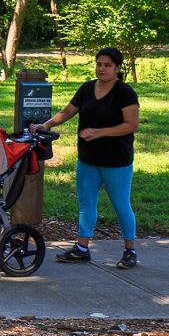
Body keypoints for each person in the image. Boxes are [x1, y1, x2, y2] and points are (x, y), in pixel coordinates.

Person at [31, 47, 141, 269]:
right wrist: (46, 124)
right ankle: (82, 249)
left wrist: (100, 132)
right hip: (88, 159)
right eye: (99, 64)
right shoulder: (87, 88)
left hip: (116, 161)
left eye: (107, 65)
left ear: (117, 68)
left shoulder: (125, 93)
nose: (102, 68)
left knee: (121, 205)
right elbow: (68, 112)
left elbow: (131, 125)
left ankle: (130, 251)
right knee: (86, 205)